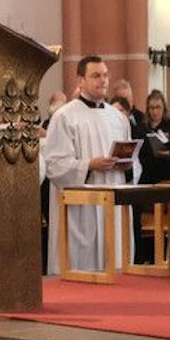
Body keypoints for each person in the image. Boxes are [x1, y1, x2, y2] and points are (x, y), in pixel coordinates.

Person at [40, 56, 135, 277]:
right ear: (80, 80)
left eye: (105, 75)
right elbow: (54, 166)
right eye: (95, 76)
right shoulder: (64, 116)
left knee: (115, 262)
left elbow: (134, 163)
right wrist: (89, 165)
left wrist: (128, 165)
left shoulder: (119, 119)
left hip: (113, 196)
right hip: (81, 208)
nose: (102, 80)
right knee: (82, 265)